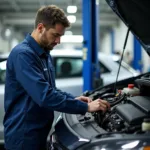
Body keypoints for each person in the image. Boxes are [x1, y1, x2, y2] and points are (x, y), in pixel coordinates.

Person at [3, 5, 110, 150]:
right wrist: (85, 107)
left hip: (38, 132)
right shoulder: (23, 55)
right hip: (24, 136)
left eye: (60, 36)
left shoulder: (44, 54)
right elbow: (44, 95)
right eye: (55, 35)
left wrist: (73, 99)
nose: (58, 41)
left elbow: (51, 89)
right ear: (40, 27)